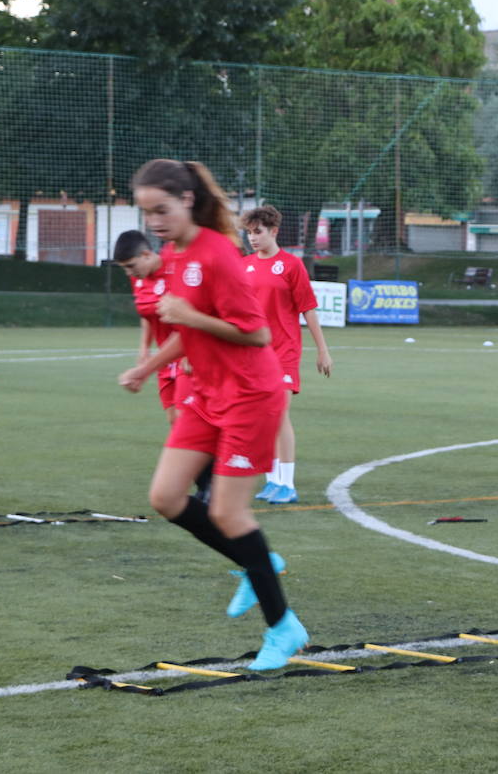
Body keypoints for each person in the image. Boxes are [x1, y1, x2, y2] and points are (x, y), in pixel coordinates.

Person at [117, 159, 307, 671]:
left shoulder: (218, 253)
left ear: (186, 201)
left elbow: (256, 333)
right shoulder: (174, 255)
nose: (154, 221)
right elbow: (186, 332)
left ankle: (282, 627)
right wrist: (146, 368)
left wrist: (191, 316)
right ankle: (254, 562)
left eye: (161, 210)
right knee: (165, 496)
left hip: (250, 394)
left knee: (227, 514)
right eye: (145, 213)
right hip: (206, 392)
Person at [242, 206, 332, 505]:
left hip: (284, 352)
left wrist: (322, 349)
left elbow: (308, 308)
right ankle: (272, 482)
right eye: (249, 233)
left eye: (258, 232)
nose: (253, 238)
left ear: (274, 231)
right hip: (254, 354)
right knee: (261, 419)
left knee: (278, 414)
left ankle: (288, 484)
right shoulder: (244, 266)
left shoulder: (291, 265)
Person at [112, 230, 212, 500]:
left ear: (147, 254)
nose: (130, 274)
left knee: (186, 421)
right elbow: (147, 315)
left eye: (131, 266)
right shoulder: (139, 280)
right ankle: (206, 483)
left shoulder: (175, 271)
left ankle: (211, 487)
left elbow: (195, 313)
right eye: (125, 270)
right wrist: (143, 349)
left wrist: (192, 351)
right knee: (174, 421)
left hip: (188, 355)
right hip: (163, 358)